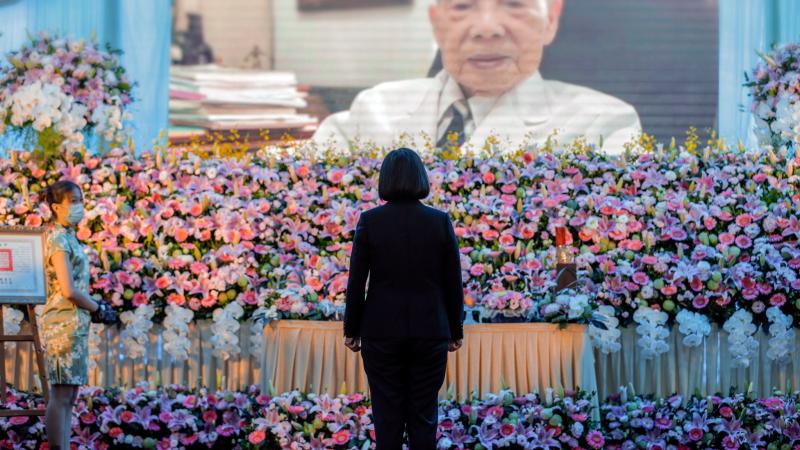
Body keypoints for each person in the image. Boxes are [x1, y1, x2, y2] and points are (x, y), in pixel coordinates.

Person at [312, 0, 641, 155]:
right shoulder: (373, 110)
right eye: (462, 6)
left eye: (513, 4)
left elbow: (578, 271)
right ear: (437, 23)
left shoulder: (604, 126)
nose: (487, 28)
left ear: (551, 20)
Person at [343, 148, 465, 450]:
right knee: (424, 418)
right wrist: (455, 329)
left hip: (381, 331)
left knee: (387, 419)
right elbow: (452, 280)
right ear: (421, 178)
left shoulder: (370, 221)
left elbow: (357, 281)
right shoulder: (439, 221)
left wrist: (351, 328)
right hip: (430, 330)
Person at [41, 180, 115, 450]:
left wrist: (94, 309)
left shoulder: (69, 236)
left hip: (74, 323)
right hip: (61, 323)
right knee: (60, 395)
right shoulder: (57, 238)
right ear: (56, 207)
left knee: (69, 396)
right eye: (73, 201)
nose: (79, 206)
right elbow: (69, 289)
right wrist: (98, 308)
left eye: (80, 200)